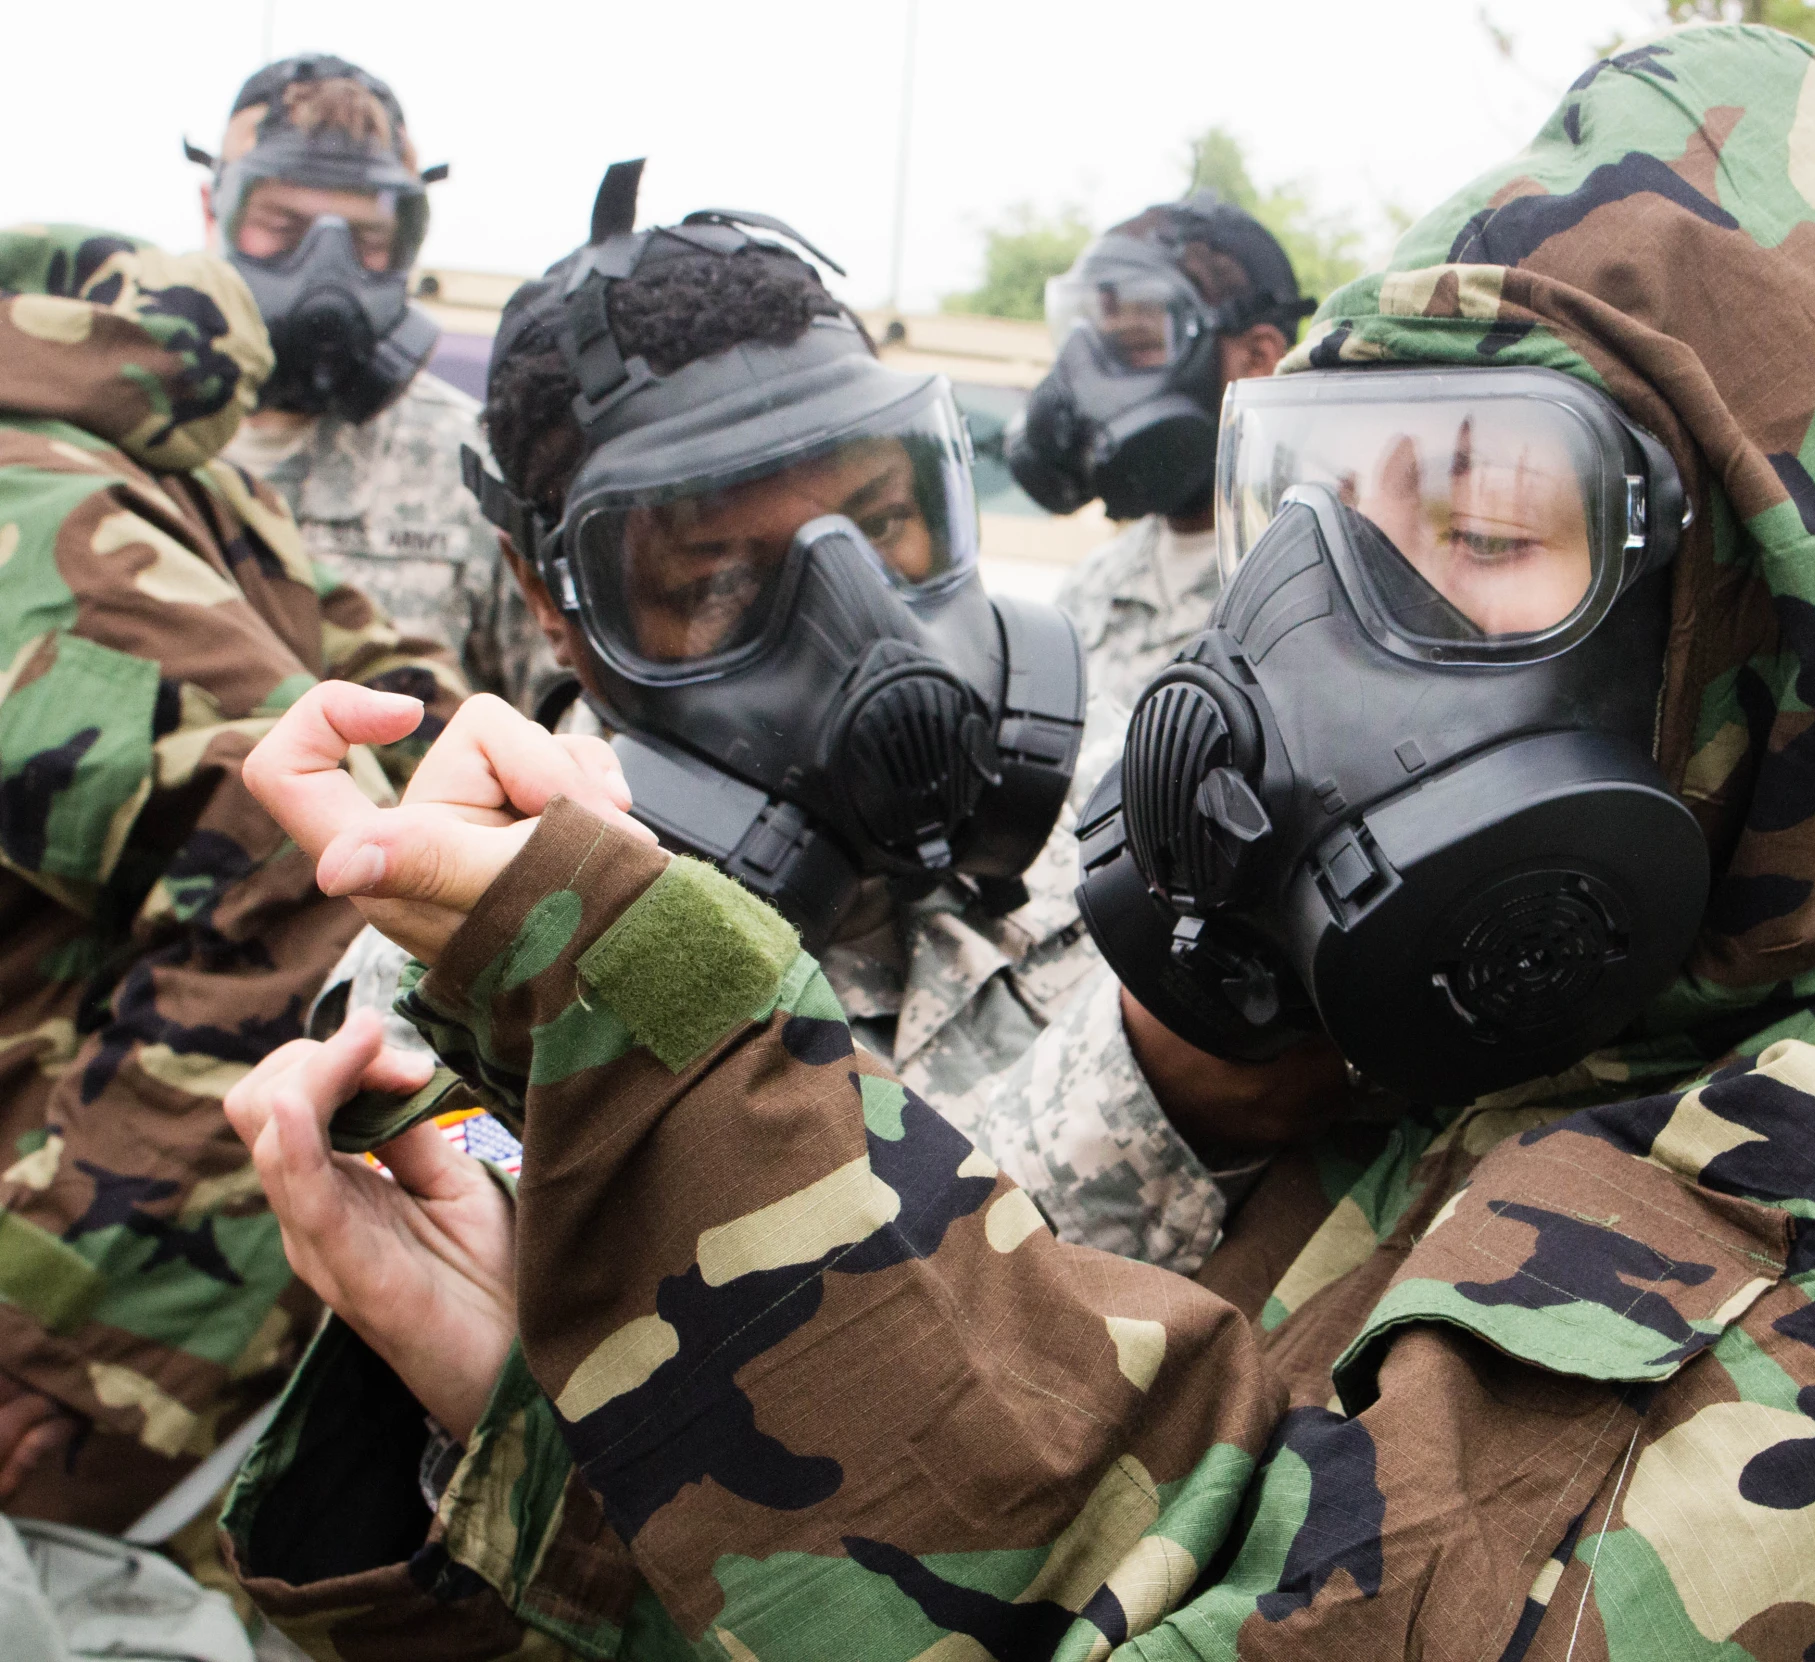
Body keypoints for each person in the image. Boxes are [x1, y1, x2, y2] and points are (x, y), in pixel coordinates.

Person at [224, 24, 1815, 1658]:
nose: (1325, 637)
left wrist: (674, 1045)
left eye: (1483, 531)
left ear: (1767, 603)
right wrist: (564, 1439)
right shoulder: (1491, 1068)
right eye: (1336, 515)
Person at [316, 166, 1126, 1164]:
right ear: (544, 595)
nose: (861, 628)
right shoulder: (462, 965)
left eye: (881, 523)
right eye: (718, 583)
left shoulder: (1123, 822)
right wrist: (1167, 1085)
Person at [0, 225, 467, 1541]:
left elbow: (311, 859)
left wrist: (64, 1315)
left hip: (109, 1420)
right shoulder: (102, 462)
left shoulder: (21, 492)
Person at [195, 53, 562, 714]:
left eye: (366, 238)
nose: (325, 270)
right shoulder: (115, 446)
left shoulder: (475, 468)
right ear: (210, 208)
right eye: (282, 227)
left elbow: (570, 727)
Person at [1010, 194, 1312, 711]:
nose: (1089, 383)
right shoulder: (1090, 590)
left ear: (1259, 359)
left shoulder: (1321, 595)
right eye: (1086, 344)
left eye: (1134, 344)